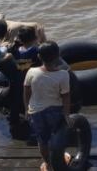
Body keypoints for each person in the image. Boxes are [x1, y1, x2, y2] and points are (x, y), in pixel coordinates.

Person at [24, 41, 71, 171]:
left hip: (35, 112)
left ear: (39, 57)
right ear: (58, 57)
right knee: (58, 135)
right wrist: (66, 114)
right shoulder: (63, 75)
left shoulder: (31, 72)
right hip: (55, 111)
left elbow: (26, 91)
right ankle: (60, 158)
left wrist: (26, 109)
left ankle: (48, 164)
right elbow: (65, 96)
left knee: (42, 140)